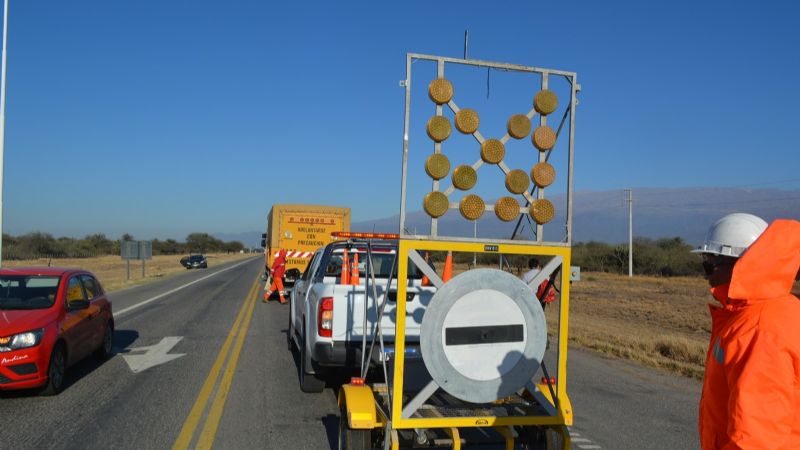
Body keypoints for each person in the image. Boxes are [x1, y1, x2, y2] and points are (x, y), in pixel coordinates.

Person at [694, 213, 800, 449]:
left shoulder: (758, 330)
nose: (706, 276)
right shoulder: (774, 310)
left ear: (739, 264)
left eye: (709, 265)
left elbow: (754, 440)